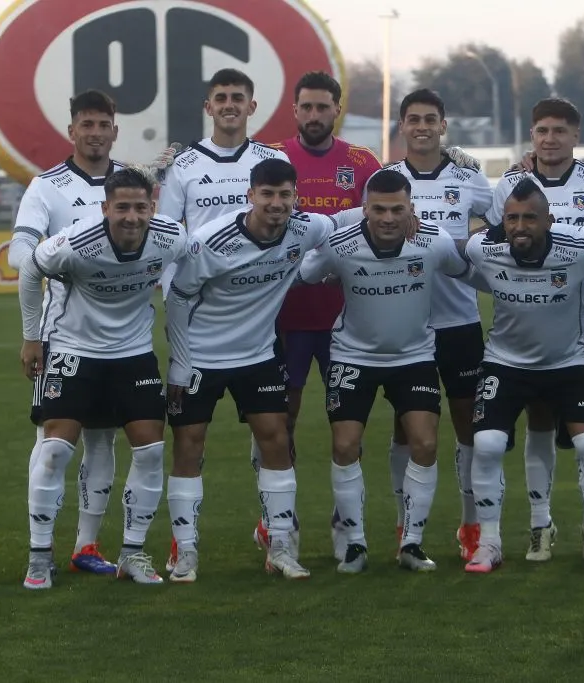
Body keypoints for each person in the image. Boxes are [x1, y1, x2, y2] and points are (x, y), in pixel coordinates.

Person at [163, 158, 364, 582]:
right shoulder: (209, 242)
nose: (276, 204)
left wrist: (399, 211)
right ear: (250, 196)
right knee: (190, 446)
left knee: (276, 439)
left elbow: (344, 217)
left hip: (257, 355)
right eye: (267, 195)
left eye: (284, 195)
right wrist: (180, 364)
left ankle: (279, 546)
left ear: (295, 197)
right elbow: (177, 300)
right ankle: (184, 552)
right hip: (202, 356)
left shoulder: (304, 228)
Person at [17, 166, 187, 588]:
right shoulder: (75, 242)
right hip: (75, 350)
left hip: (133, 355)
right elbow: (28, 270)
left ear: (153, 206)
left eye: (141, 207)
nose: (132, 216)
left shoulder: (172, 237)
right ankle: (40, 556)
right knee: (55, 450)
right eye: (122, 207)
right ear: (105, 208)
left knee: (149, 453)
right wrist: (31, 338)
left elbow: (192, 275)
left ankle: (132, 554)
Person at [298, 169, 470, 573]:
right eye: (378, 209)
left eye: (397, 209)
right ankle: (355, 544)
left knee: (425, 444)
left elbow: (469, 271)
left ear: (411, 208)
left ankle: (411, 542)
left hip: (413, 357)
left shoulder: (433, 241)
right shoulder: (339, 246)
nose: (388, 218)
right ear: (365, 209)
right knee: (345, 445)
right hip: (352, 356)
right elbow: (305, 273)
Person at [245, 71, 383, 549]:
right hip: (283, 318)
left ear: (336, 110)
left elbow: (382, 218)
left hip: (348, 318)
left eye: (323, 107)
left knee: (347, 426)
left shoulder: (362, 162)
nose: (314, 115)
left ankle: (347, 525)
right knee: (278, 421)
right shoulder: (271, 159)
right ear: (295, 111)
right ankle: (277, 520)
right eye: (306, 107)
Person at [461, 177, 584, 574]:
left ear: (549, 220)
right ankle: (490, 542)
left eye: (529, 218)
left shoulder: (580, 248)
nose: (519, 227)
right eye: (511, 218)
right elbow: (450, 259)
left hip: (568, 362)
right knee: (488, 444)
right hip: (505, 363)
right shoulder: (484, 247)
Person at [362, 89, 493, 563]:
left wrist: (471, 247)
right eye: (413, 118)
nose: (422, 126)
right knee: (406, 429)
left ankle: (471, 525)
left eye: (430, 119)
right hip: (406, 324)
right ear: (401, 125)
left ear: (444, 124)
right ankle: (404, 527)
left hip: (459, 320)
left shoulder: (469, 177)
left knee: (468, 428)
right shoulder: (385, 180)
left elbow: (505, 223)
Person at [484, 98, 584, 563]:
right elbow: (493, 246)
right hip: (531, 328)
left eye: (560, 130)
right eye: (542, 130)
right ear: (532, 136)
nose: (551, 138)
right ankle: (541, 524)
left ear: (576, 136)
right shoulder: (511, 187)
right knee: (539, 422)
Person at [7, 89, 124, 575]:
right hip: (63, 335)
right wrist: (65, 258)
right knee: (53, 444)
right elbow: (20, 255)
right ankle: (40, 552)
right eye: (87, 124)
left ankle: (86, 547)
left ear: (114, 131)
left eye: (103, 125)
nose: (95, 133)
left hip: (120, 339)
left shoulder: (130, 185)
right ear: (71, 130)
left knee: (102, 442)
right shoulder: (47, 187)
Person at [157, 68, 291, 292]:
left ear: (252, 107)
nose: (229, 105)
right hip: (202, 293)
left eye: (238, 98)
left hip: (260, 294)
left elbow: (289, 227)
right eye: (221, 98)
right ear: (208, 107)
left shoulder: (276, 160)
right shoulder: (181, 165)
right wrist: (171, 302)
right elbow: (167, 239)